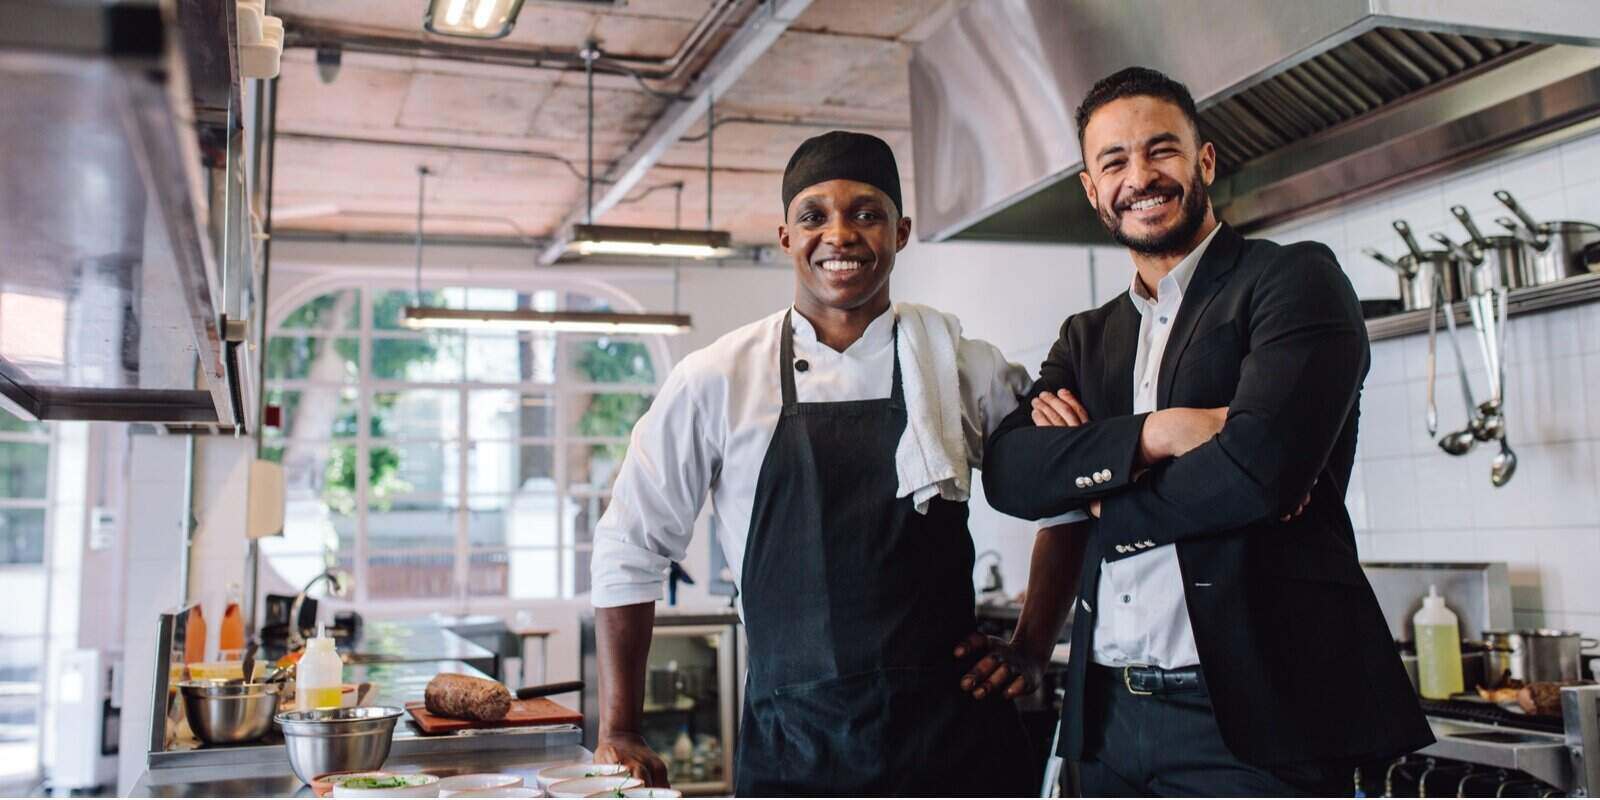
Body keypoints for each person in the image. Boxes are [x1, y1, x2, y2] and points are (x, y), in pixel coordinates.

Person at [966, 67, 1433, 796]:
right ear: (1092, 190)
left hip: (1255, 727)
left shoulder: (1290, 281)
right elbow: (1013, 475)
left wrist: (1096, 495)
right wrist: (1157, 435)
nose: (1140, 177)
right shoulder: (1086, 340)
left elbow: (1259, 472)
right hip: (1108, 719)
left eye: (1162, 151)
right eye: (1114, 162)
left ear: (1204, 161)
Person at [589, 131, 1036, 796]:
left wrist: (1032, 643)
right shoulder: (717, 378)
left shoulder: (966, 368)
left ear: (902, 230)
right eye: (814, 215)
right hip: (793, 748)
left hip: (948, 746)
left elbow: (1064, 495)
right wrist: (620, 727)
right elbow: (630, 544)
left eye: (866, 213)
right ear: (785, 236)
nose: (841, 234)